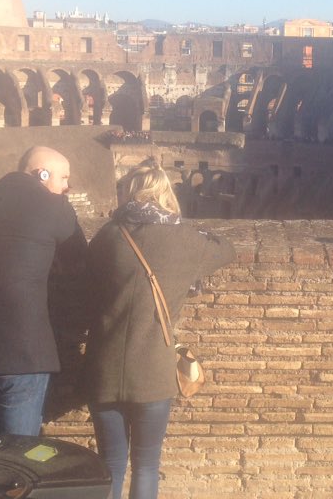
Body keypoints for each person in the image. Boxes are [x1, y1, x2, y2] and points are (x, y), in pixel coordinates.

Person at [84, 161, 235, 499]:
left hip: (103, 367)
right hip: (153, 371)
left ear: (129, 192)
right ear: (165, 193)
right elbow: (227, 250)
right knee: (147, 464)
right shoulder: (183, 239)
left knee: (109, 463)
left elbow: (86, 286)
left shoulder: (108, 235)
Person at [0, 145, 86, 436]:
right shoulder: (56, 208)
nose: (67, 186)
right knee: (18, 458)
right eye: (63, 178)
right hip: (23, 351)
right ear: (42, 173)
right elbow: (78, 261)